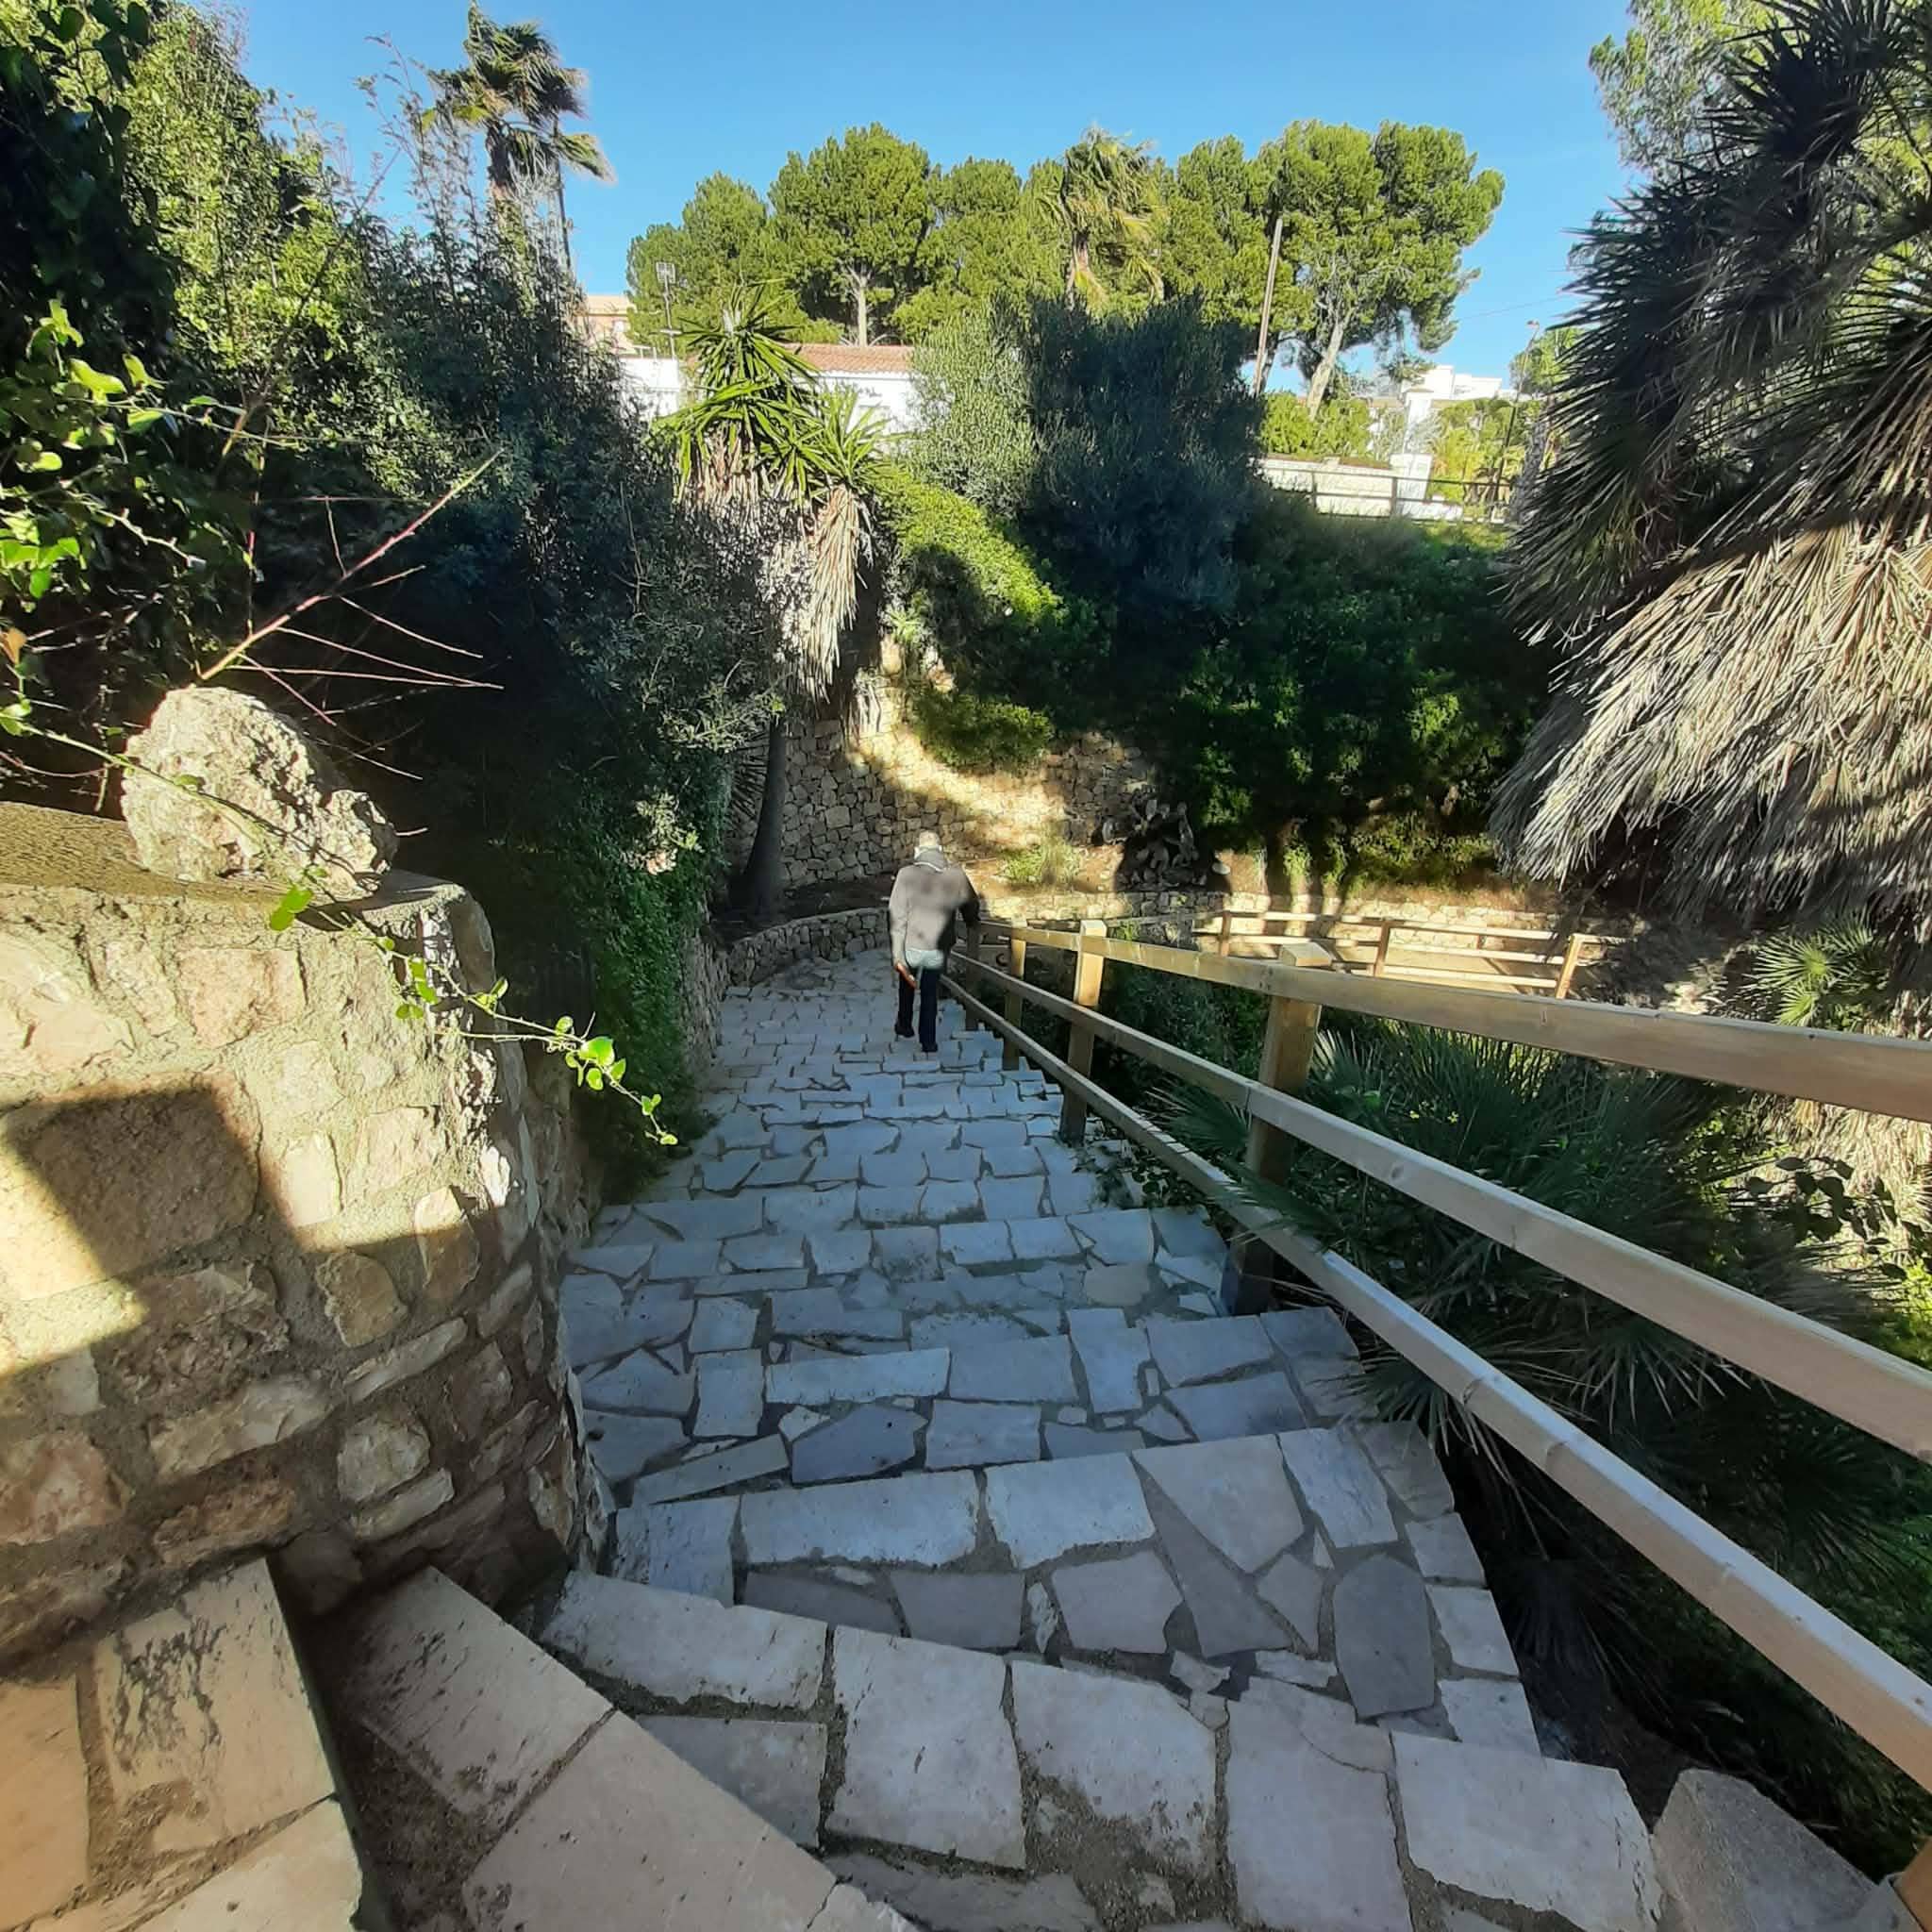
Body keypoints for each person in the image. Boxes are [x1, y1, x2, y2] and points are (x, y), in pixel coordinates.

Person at [888, 837, 979, 1051]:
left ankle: (904, 1025)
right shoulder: (956, 875)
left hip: (910, 941)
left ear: (918, 850)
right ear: (939, 849)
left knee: (907, 983)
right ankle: (928, 1041)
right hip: (938, 944)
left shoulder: (905, 874)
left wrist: (895, 947)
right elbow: (971, 904)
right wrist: (972, 922)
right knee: (930, 991)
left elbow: (895, 912)